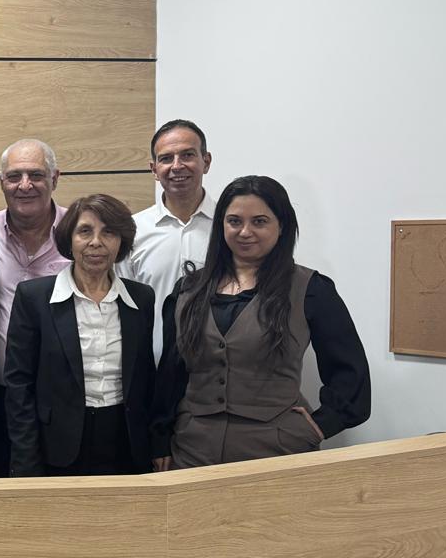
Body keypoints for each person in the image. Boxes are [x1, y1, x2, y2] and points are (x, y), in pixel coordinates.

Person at [152, 175, 371, 470]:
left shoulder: (311, 289)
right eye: (234, 221)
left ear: (281, 226)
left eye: (259, 221)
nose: (245, 232)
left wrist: (321, 425)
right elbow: (171, 374)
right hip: (193, 450)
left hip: (278, 451)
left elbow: (350, 372)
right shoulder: (188, 290)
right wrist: (160, 437)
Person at [5, 195, 156, 476]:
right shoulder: (34, 297)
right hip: (57, 444)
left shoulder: (141, 298)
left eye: (108, 232)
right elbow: (19, 386)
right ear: (69, 239)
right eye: (85, 231)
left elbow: (146, 378)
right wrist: (25, 460)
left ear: (121, 241)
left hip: (126, 441)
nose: (96, 242)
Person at [0, 138, 70, 475]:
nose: (24, 185)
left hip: (64, 398)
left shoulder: (80, 233)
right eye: (14, 176)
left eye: (36, 175)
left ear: (55, 178)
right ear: (1, 182)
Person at [120, 119, 216, 361]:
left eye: (187, 155)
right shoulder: (132, 231)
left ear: (206, 161)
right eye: (166, 158)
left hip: (217, 372)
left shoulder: (229, 227)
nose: (177, 166)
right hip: (152, 368)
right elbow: (123, 310)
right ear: (154, 169)